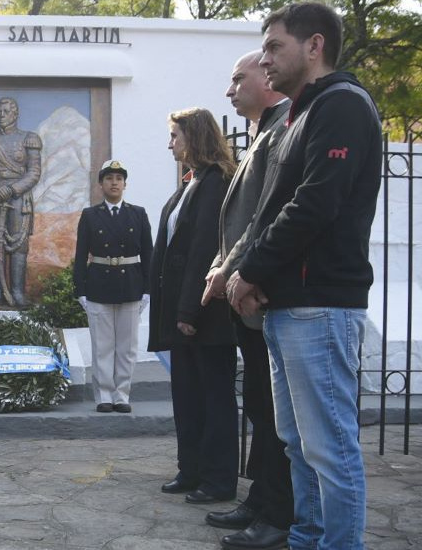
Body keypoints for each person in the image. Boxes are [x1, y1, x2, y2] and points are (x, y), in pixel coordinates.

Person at [227, 3, 382, 548]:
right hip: (288, 305)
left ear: (314, 46)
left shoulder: (341, 105)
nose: (264, 60)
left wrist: (248, 270)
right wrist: (252, 274)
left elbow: (314, 205)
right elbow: (271, 208)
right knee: (297, 443)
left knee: (331, 447)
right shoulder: (298, 113)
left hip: (320, 305)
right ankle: (308, 537)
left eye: (273, 47)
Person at [199, 50, 293, 550]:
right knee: (259, 404)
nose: (230, 90)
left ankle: (278, 513)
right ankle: (261, 499)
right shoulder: (261, 133)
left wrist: (229, 271)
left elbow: (263, 218)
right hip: (242, 293)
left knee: (275, 413)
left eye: (239, 78)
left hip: (259, 294)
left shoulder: (284, 131)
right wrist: (222, 266)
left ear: (267, 79)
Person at [148, 108, 239, 505]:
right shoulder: (192, 182)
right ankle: (191, 469)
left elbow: (204, 249)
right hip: (183, 312)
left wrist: (188, 312)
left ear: (195, 136)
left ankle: (218, 481)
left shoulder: (216, 181)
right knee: (187, 395)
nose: (170, 144)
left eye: (174, 136)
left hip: (204, 314)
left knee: (214, 398)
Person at [73, 160, 153, 414]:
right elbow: (80, 255)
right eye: (109, 178)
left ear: (125, 184)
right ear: (100, 184)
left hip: (130, 284)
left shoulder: (137, 214)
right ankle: (104, 394)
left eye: (119, 178)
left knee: (127, 347)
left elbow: (149, 255)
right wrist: (81, 290)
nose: (114, 182)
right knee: (103, 345)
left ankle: (122, 394)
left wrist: (149, 289)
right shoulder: (90, 215)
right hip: (99, 284)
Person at [0, 97, 43, 307]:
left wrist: (13, 189)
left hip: (19, 197)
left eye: (6, 112)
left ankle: (18, 293)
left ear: (15, 114)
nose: (2, 115)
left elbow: (34, 172)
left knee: (19, 245)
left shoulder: (29, 139)